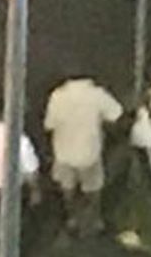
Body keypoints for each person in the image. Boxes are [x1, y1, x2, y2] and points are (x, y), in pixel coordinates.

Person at [43, 77, 123, 235]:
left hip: (64, 153)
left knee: (67, 187)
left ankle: (71, 218)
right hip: (89, 153)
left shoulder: (58, 96)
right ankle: (94, 220)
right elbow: (116, 113)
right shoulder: (97, 95)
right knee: (93, 187)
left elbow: (49, 124)